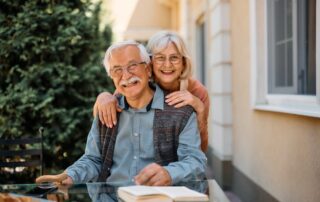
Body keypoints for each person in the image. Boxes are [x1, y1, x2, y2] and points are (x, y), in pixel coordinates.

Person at [36, 40, 206, 187]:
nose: (126, 75)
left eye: (132, 66)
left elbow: (195, 161)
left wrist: (170, 173)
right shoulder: (106, 111)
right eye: (117, 70)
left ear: (148, 70)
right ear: (111, 77)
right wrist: (71, 175)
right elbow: (93, 159)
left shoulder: (180, 112)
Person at [94, 31, 210, 152]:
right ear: (150, 62)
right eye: (160, 58)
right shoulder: (138, 83)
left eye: (174, 58)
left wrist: (200, 109)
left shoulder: (197, 91)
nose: (167, 64)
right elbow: (106, 113)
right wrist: (104, 96)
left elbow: (201, 150)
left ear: (183, 63)